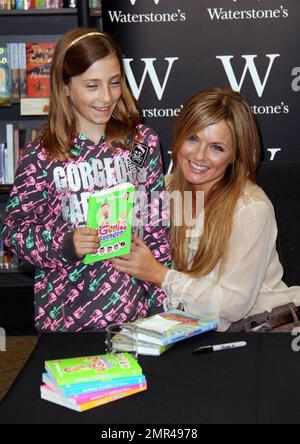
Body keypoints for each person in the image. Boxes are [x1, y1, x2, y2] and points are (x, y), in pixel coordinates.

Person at [1, 28, 172, 333]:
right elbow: (14, 233)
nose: (106, 97)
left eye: (115, 82)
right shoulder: (43, 154)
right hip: (64, 322)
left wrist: (162, 308)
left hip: (135, 316)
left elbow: (156, 230)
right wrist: (65, 243)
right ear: (65, 87)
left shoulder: (141, 144)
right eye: (92, 85)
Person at [111, 87, 300, 332]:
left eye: (217, 147)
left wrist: (158, 274)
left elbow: (231, 307)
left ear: (235, 155)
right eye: (193, 138)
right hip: (193, 330)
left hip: (264, 333)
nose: (199, 155)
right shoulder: (164, 190)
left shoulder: (250, 208)